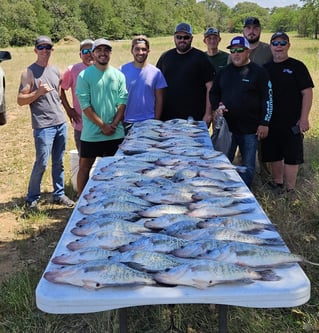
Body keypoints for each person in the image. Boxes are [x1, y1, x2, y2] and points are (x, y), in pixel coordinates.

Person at [17, 35, 75, 209]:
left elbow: (59, 96)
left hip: (60, 123)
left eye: (48, 47)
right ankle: (32, 198)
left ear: (52, 50)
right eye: (41, 47)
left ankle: (58, 195)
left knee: (58, 161)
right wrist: (38, 93)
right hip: (43, 126)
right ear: (35, 50)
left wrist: (68, 113)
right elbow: (20, 100)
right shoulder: (29, 73)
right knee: (41, 162)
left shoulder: (56, 71)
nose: (44, 50)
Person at [209, 36, 273, 188]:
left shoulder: (259, 72)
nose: (236, 54)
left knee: (248, 167)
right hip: (227, 129)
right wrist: (216, 107)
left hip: (250, 130)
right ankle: (221, 191)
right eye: (232, 50)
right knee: (222, 163)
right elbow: (214, 93)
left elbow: (268, 99)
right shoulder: (223, 72)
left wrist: (265, 123)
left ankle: (244, 196)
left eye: (240, 50)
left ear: (248, 51)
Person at [261, 32, 314, 193]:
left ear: (288, 45)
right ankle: (278, 183)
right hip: (271, 120)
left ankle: (290, 188)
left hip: (292, 121)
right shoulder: (265, 69)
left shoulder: (297, 66)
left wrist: (304, 118)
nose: (279, 47)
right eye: (275, 43)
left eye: (282, 43)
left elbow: (307, 92)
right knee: (274, 153)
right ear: (270, 47)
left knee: (291, 155)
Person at [75, 38, 128, 195]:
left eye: (106, 50)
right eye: (99, 50)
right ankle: (81, 201)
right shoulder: (84, 76)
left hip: (115, 132)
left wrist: (114, 124)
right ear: (93, 53)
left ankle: (114, 197)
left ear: (110, 53)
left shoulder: (118, 76)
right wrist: (102, 125)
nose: (102, 53)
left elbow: (122, 102)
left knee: (117, 169)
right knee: (85, 167)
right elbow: (85, 106)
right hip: (92, 133)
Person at [156, 23, 214, 125]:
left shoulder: (201, 57)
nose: (182, 40)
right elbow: (157, 87)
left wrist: (208, 113)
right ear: (174, 38)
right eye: (179, 37)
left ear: (191, 38)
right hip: (167, 117)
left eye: (186, 37)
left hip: (194, 118)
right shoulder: (165, 57)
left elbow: (210, 86)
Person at [120, 35, 167, 133]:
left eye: (144, 49)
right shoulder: (122, 71)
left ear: (148, 51)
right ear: (132, 50)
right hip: (127, 122)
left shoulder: (156, 73)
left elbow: (159, 99)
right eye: (137, 49)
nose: (140, 53)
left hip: (149, 122)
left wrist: (156, 122)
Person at [60, 39, 94, 154]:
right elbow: (61, 89)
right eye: (85, 51)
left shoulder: (103, 68)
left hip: (102, 125)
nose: (89, 54)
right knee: (84, 160)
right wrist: (68, 109)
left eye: (92, 50)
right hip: (82, 124)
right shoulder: (72, 70)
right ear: (80, 55)